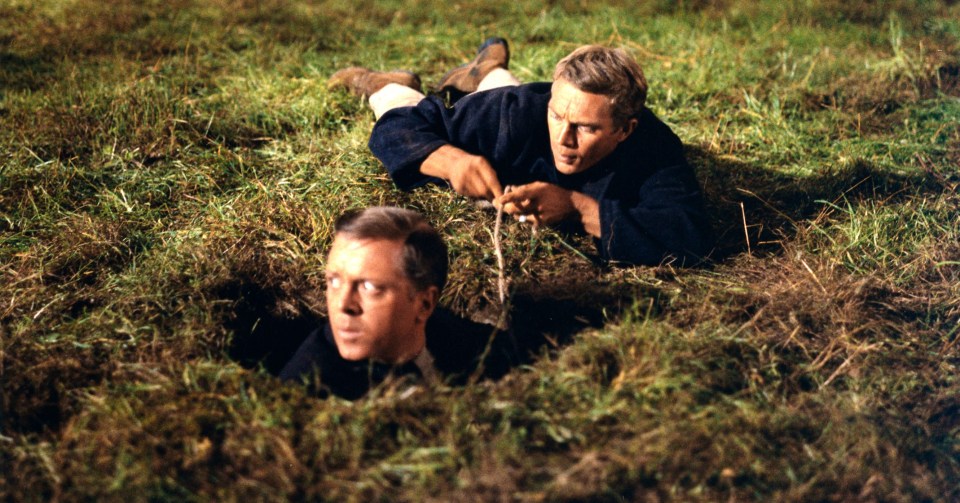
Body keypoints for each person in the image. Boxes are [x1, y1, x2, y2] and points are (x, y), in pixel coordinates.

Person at [328, 38, 714, 266]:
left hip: (520, 103)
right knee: (401, 103)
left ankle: (487, 70)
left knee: (506, 94)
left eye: (586, 128)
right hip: (508, 104)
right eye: (557, 115)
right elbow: (400, 129)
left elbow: (690, 235)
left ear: (625, 130)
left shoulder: (654, 148)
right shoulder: (517, 112)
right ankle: (387, 82)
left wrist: (578, 208)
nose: (564, 137)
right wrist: (450, 160)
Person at [278, 206, 522, 399]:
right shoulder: (308, 389)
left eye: (369, 287)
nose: (343, 304)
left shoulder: (449, 333)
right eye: (334, 281)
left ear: (425, 304)